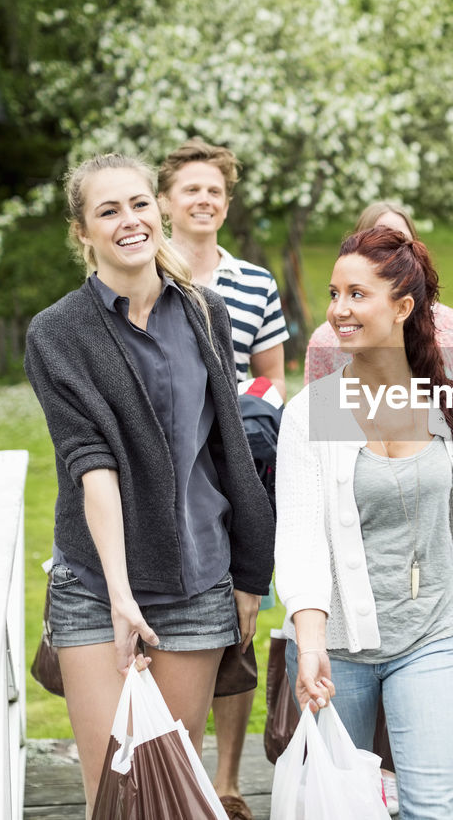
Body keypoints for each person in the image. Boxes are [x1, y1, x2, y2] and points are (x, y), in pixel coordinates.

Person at [24, 153, 274, 813]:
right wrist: (118, 592)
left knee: (173, 787)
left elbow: (228, 450)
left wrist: (250, 571)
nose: (129, 220)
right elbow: (91, 464)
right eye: (108, 210)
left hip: (197, 580)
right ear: (82, 230)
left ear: (156, 210)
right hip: (94, 587)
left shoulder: (204, 312)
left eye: (138, 203)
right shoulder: (57, 332)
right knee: (114, 787)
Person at [275, 226, 453, 820]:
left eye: (357, 294)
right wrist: (311, 642)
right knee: (338, 810)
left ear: (402, 307)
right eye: (334, 293)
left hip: (432, 636)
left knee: (433, 809)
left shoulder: (444, 405)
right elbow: (298, 539)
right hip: (335, 647)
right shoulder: (309, 415)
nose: (339, 310)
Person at [157, 137, 287, 820]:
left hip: (238, 471)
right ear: (166, 201)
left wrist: (231, 403)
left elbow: (272, 380)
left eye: (214, 191)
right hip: (162, 473)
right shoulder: (145, 269)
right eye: (191, 190)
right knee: (169, 619)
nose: (204, 200)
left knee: (237, 622)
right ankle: (173, 771)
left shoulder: (254, 282)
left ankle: (229, 780)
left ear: (225, 204)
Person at [304, 201, 453, 407]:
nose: (392, 251)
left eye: (401, 242)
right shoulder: (325, 340)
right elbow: (317, 418)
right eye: (379, 241)